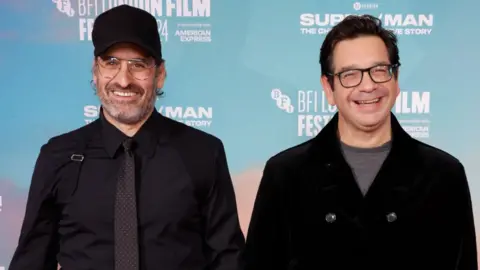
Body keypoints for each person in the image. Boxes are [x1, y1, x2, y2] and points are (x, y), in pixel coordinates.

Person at [9, 4, 245, 270]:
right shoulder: (57, 156)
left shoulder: (203, 152)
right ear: (95, 72)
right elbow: (31, 262)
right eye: (111, 63)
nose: (123, 80)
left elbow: (228, 260)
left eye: (138, 65)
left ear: (160, 75)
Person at [244, 14, 477, 270]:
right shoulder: (285, 174)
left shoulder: (444, 175)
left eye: (379, 70)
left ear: (396, 80)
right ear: (328, 88)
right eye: (350, 74)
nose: (368, 86)